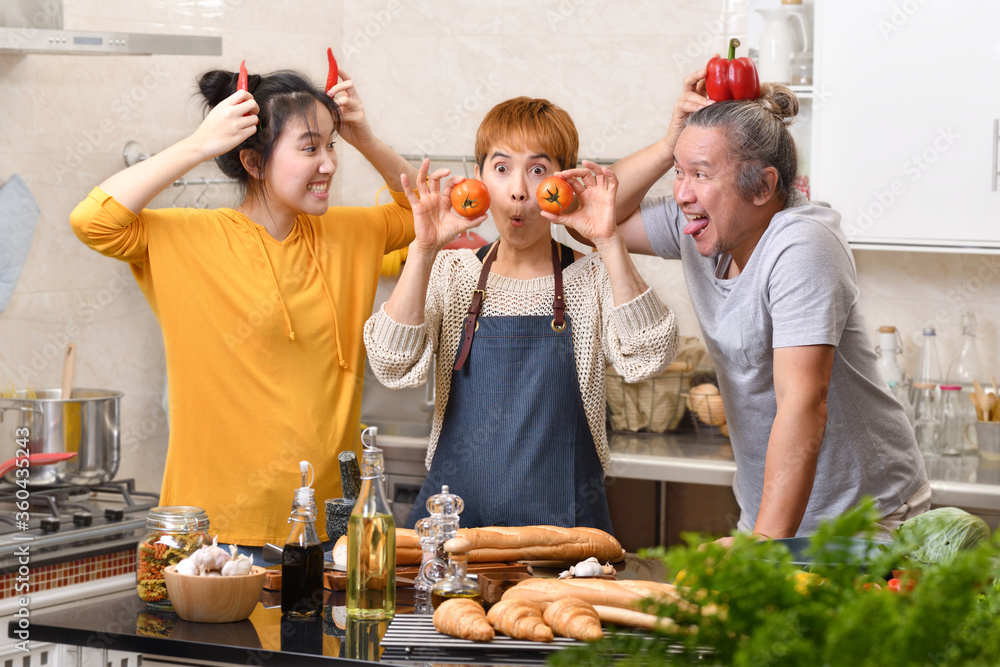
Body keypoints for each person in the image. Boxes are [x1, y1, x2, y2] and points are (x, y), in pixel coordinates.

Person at [70, 66, 417, 561]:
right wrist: (197, 145)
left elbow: (422, 209)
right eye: (309, 148)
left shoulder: (348, 235)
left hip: (328, 532)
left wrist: (364, 137)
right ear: (254, 163)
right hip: (214, 536)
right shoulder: (189, 239)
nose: (329, 164)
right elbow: (93, 220)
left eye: (331, 146)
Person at [600, 71, 929, 541]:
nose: (681, 193)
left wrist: (763, 550)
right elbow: (597, 216)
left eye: (701, 173)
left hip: (865, 521)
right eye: (678, 171)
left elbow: (802, 403)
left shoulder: (803, 245)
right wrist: (667, 142)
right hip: (770, 516)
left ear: (762, 187)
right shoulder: (701, 225)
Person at [363, 97, 679, 532]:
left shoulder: (591, 277)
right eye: (501, 168)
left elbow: (650, 355)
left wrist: (609, 243)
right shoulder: (451, 271)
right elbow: (391, 364)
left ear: (565, 182)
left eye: (537, 170)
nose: (518, 190)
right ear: (478, 180)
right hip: (457, 541)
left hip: (565, 539)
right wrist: (422, 250)